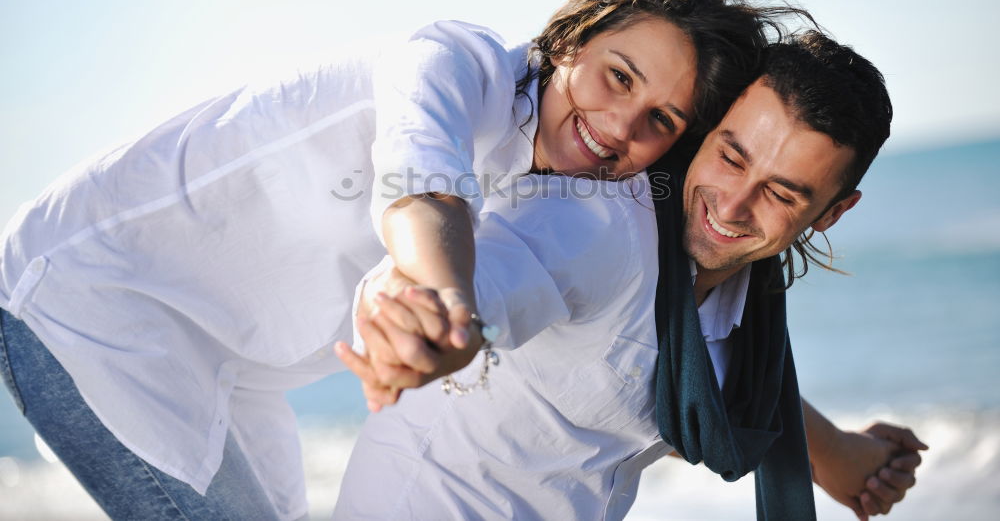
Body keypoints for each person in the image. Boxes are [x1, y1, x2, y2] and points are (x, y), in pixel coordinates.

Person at [0, 0, 796, 520]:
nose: (621, 127)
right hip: (84, 301)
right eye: (617, 77)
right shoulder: (449, 64)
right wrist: (443, 299)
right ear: (572, 38)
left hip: (237, 369)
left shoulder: (584, 191)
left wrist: (829, 450)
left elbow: (654, 343)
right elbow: (424, 189)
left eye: (662, 120)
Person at [333, 31, 926, 520]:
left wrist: (846, 456)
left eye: (780, 193)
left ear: (831, 213)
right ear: (708, 129)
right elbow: (475, 280)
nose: (733, 206)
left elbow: (722, 381)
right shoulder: (596, 227)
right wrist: (420, 319)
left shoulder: (743, 306)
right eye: (731, 156)